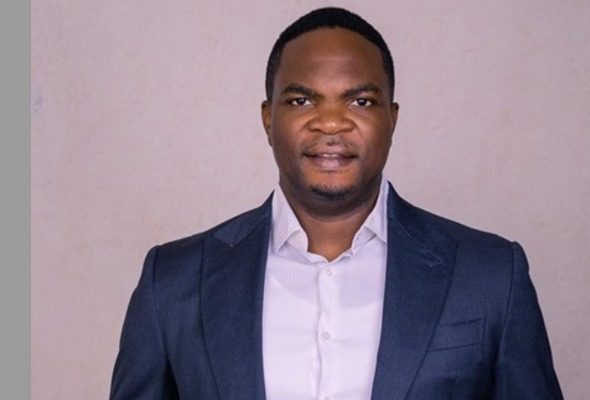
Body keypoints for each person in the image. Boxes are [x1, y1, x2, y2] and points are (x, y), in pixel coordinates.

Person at [110, 6, 564, 400]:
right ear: (268, 119)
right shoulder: (173, 282)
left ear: (392, 119)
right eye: (302, 100)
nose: (330, 123)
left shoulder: (490, 276)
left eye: (360, 101)